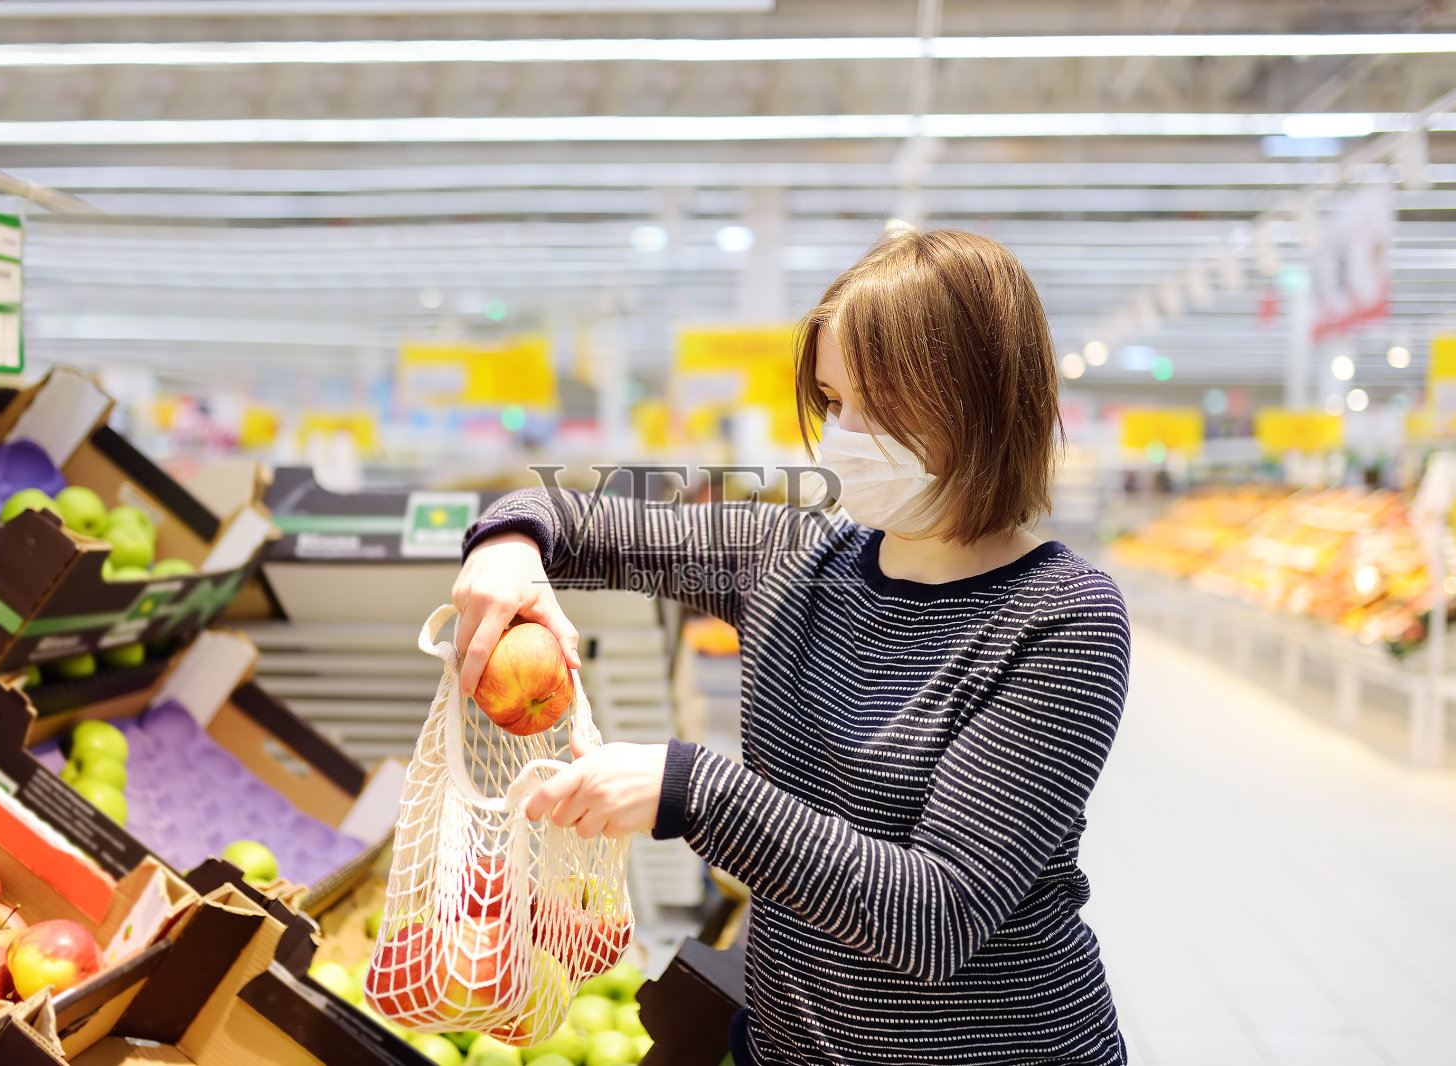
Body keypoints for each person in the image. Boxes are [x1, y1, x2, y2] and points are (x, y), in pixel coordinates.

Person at [452, 228, 1130, 1065]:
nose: (844, 436)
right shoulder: (789, 557)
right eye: (835, 403)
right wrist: (507, 543)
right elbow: (578, 520)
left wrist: (691, 791)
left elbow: (935, 915)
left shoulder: (1060, 619)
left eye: (880, 408)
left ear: (983, 402)